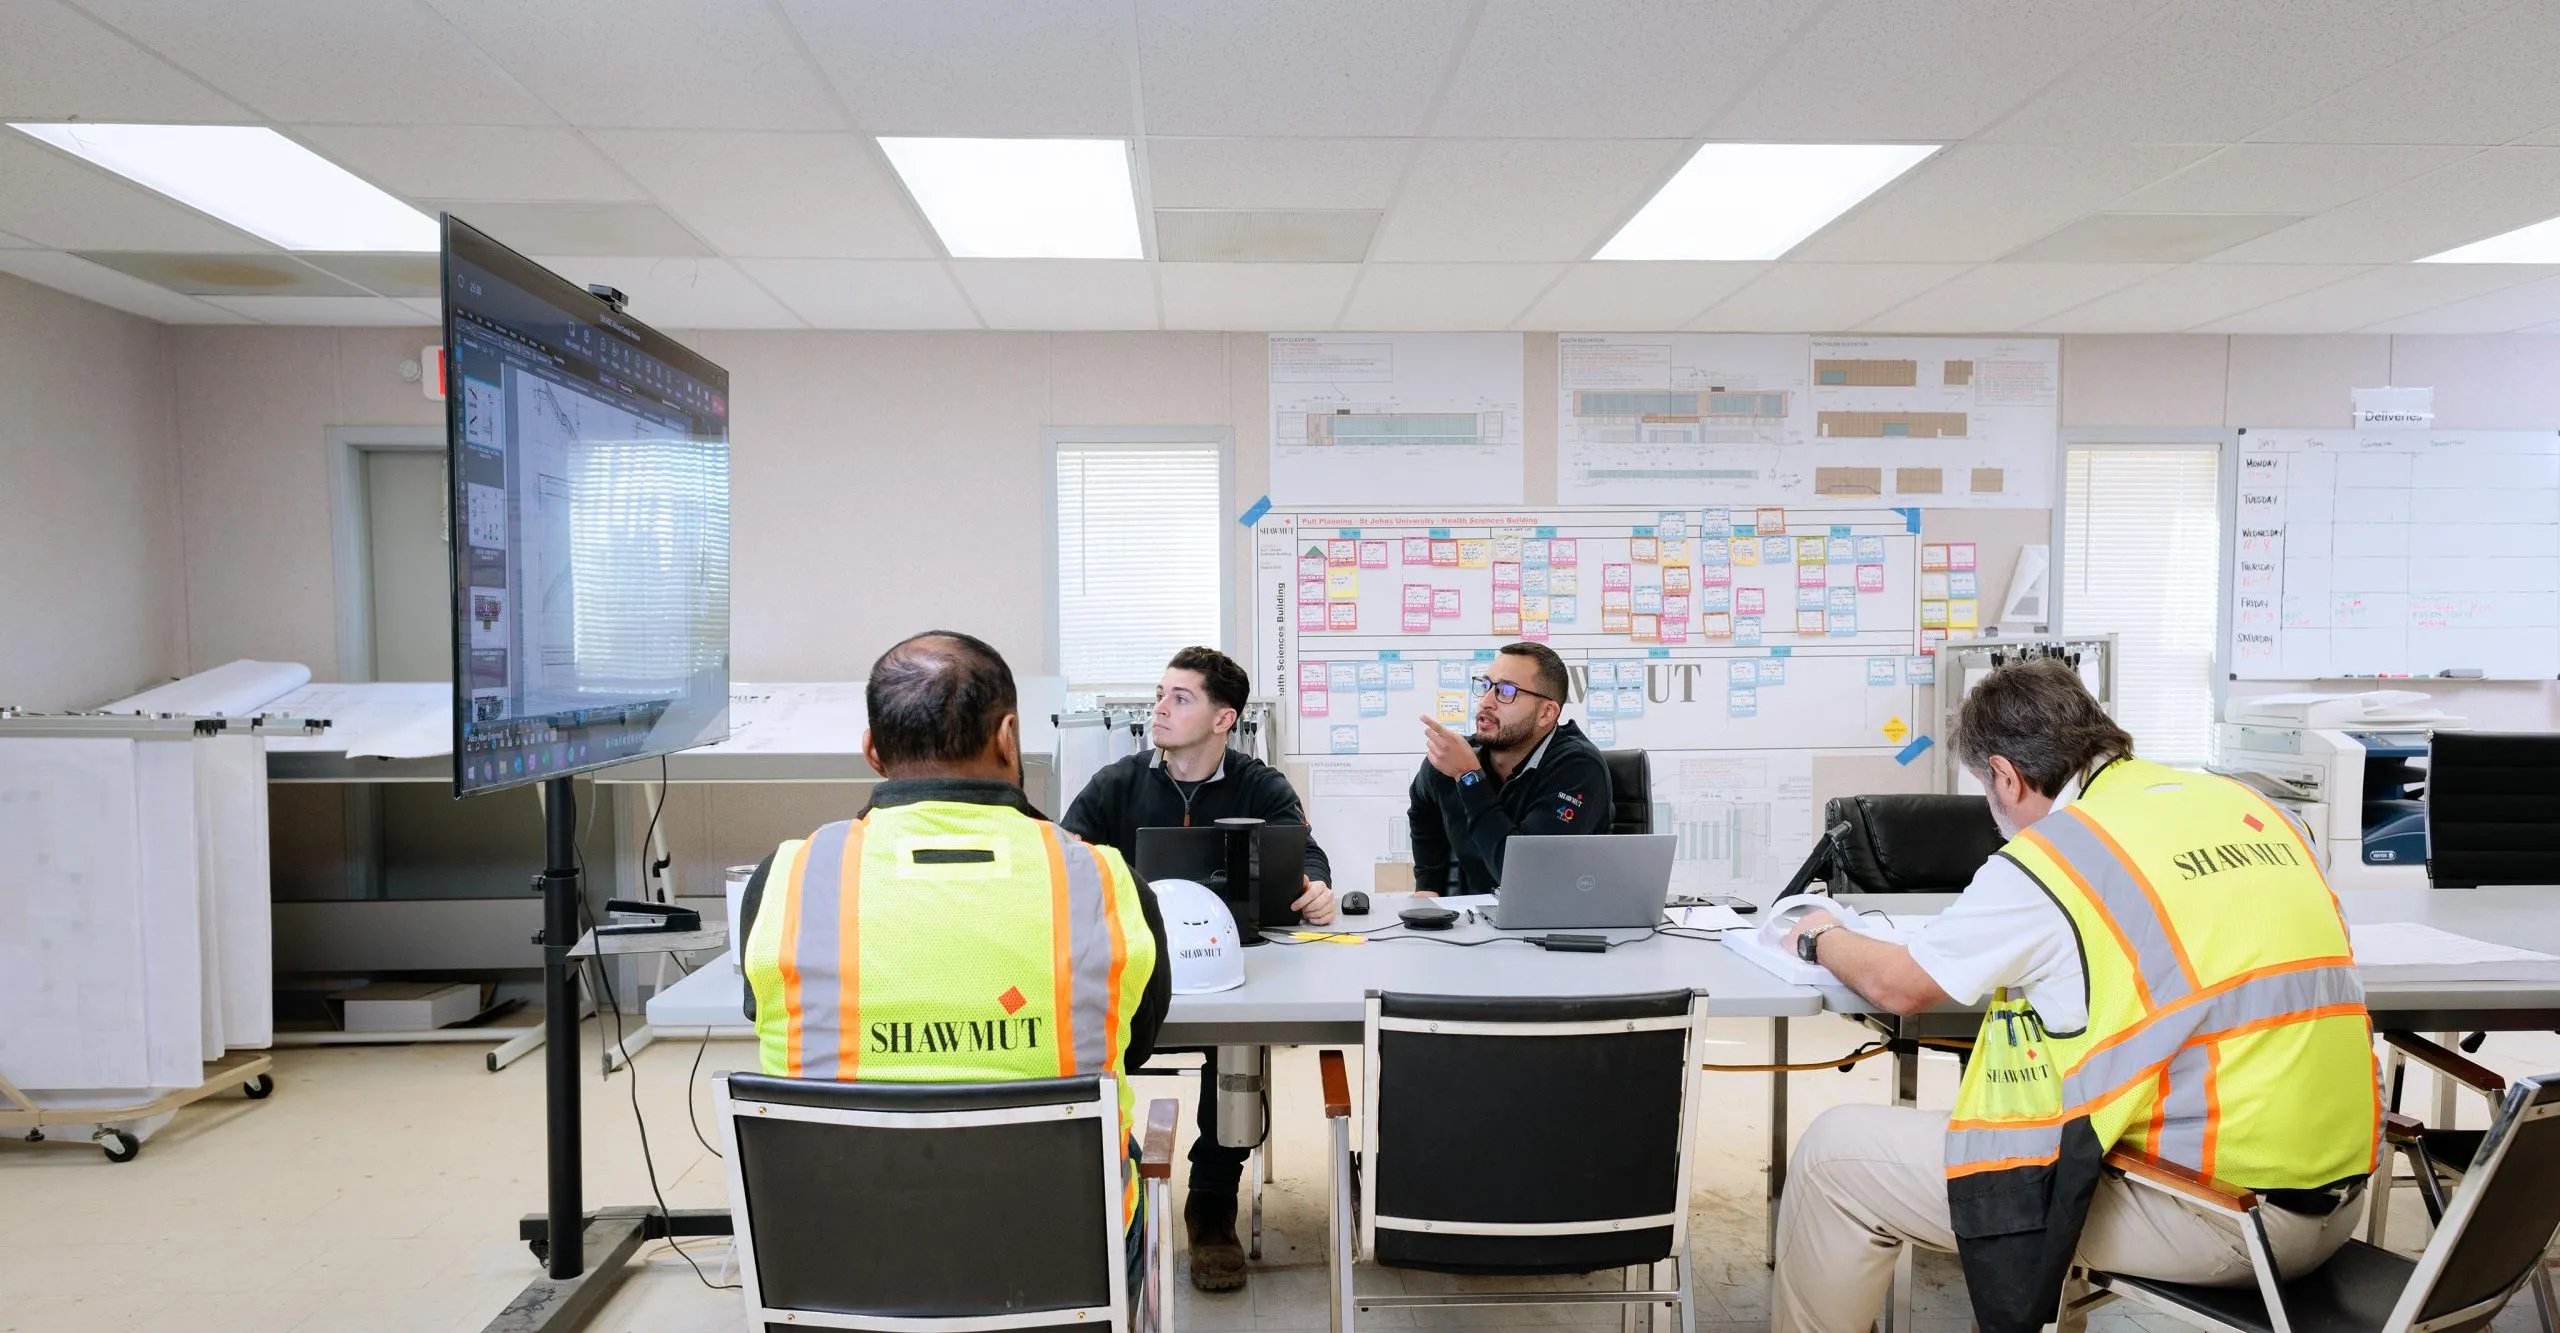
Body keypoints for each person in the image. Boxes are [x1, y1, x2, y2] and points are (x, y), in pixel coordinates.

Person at [1770, 660, 2377, 1333]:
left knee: (1835, 1154)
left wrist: (1820, 936)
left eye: (1985, 784)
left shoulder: (2060, 855)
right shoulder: (2248, 807)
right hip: (2337, 1200)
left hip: (2222, 1216)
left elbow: (1898, 984)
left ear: (2004, 774)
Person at [736, 631, 1170, 1255]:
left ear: (872, 751)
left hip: (834, 1254)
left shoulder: (788, 878)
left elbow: (769, 1020)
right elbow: (1134, 1047)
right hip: (1062, 1254)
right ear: (1007, 737)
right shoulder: (1104, 879)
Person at [1062, 645, 1335, 1294]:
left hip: (1229, 962)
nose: (1160, 706)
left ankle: (1211, 1202)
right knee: (1078, 1032)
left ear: (1223, 719)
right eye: (1160, 693)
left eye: (1179, 697)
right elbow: (1066, 857)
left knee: (1235, 1044)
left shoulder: (1259, 784)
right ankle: (1108, 1180)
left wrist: (1317, 888)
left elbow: (1309, 861)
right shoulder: (1118, 782)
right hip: (1133, 967)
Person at [1407, 640, 1612, 895]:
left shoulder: (1579, 769)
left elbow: (1525, 879)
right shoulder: (1455, 757)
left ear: (1546, 713)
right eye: (1485, 686)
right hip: (1471, 925)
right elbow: (1421, 804)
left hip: (1555, 922)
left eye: (1506, 691)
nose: (1486, 702)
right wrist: (1428, 883)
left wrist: (1469, 777)